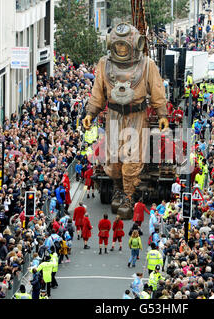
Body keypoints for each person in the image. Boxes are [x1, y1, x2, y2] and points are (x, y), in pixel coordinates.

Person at [83, 22, 168, 216]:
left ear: (135, 44)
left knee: (132, 159)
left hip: (137, 115)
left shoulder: (147, 65)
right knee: (113, 161)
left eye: (124, 45)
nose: (121, 49)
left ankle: (128, 195)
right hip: (113, 115)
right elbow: (98, 92)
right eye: (118, 45)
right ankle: (118, 189)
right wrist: (91, 113)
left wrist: (162, 114)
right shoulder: (105, 64)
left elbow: (157, 90)